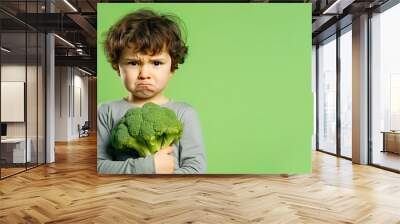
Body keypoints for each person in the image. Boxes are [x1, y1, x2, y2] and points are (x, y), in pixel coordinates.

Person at [97, 9, 207, 174]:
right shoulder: (105, 111)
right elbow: (98, 166)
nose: (144, 74)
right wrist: (148, 167)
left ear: (172, 68)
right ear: (117, 68)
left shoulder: (184, 113)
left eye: (156, 63)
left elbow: (196, 168)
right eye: (133, 63)